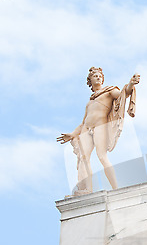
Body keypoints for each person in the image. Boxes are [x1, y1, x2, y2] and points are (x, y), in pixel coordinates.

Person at [57, 67, 140, 195]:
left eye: (100, 76)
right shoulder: (90, 102)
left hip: (100, 126)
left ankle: (116, 188)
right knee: (84, 158)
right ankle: (87, 189)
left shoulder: (109, 91)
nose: (98, 77)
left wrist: (130, 84)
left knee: (102, 156)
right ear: (90, 80)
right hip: (86, 128)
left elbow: (124, 94)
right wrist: (73, 134)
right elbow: (84, 121)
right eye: (95, 76)